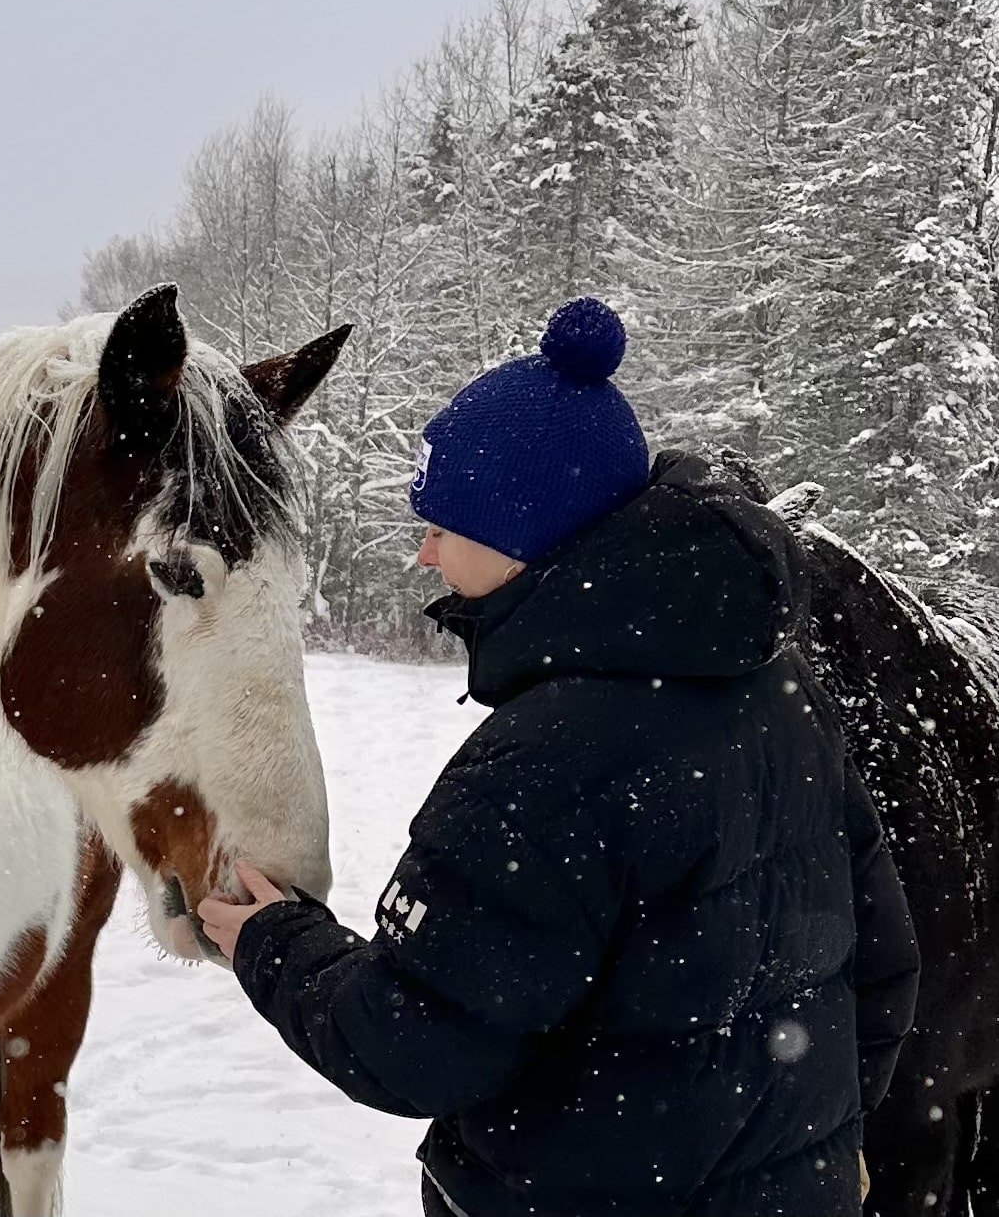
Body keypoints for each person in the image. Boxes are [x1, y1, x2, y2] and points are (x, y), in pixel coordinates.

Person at [200, 299, 920, 1217]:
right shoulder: (777, 688)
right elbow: (881, 967)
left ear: (521, 538)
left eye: (440, 525)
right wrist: (817, 1148)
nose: (421, 553)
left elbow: (409, 1044)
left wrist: (274, 944)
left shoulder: (542, 765)